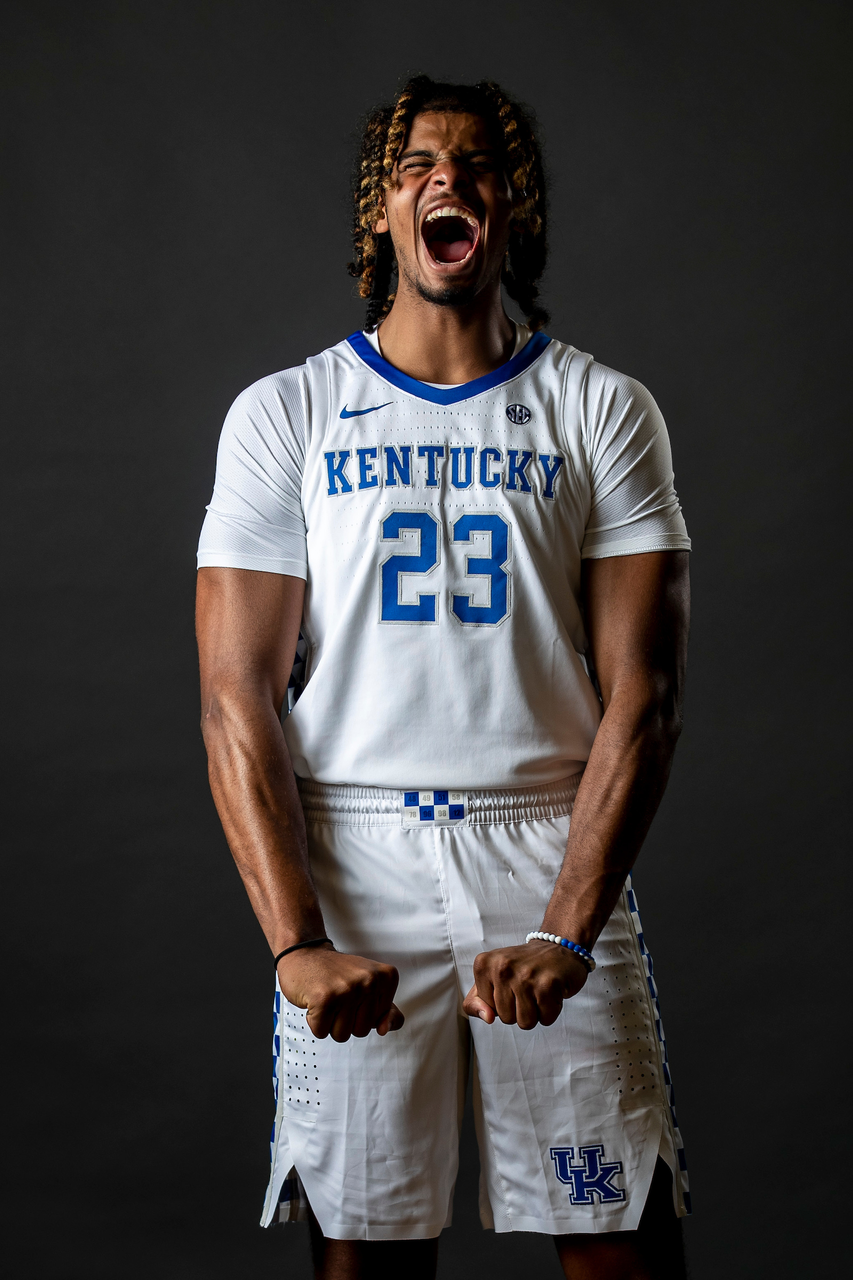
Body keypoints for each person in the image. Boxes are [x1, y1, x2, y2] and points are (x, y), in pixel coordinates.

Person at [196, 75, 692, 1280]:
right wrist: (294, 940)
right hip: (353, 850)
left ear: (510, 208)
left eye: (477, 165)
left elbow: (646, 694)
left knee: (618, 1240)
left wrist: (568, 928)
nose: (447, 180)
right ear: (382, 209)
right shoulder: (288, 413)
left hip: (547, 836)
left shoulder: (601, 408)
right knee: (364, 1255)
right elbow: (234, 697)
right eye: (418, 163)